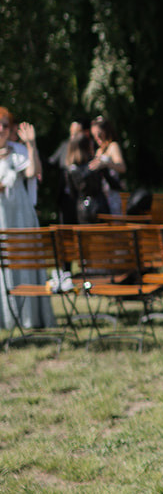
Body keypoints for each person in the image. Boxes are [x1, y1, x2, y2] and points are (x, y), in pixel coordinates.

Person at [0, 112, 55, 331]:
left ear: (11, 129)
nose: (0, 129)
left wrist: (31, 145)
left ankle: (28, 317)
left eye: (4, 125)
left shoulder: (18, 152)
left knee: (22, 262)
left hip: (19, 218)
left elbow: (34, 171)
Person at [89, 116, 127, 214]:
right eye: (94, 136)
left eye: (99, 134)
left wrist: (106, 163)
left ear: (106, 131)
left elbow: (122, 167)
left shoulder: (113, 146)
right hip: (101, 193)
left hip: (112, 192)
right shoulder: (98, 151)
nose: (97, 138)